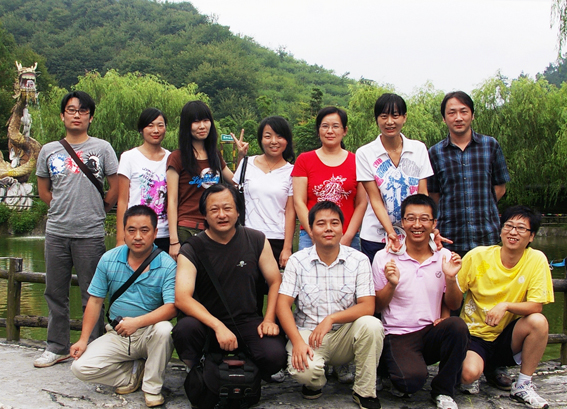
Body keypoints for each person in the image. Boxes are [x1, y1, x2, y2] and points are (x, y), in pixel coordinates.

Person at [34, 91, 119, 368]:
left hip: (90, 233)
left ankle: (93, 348)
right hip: (56, 232)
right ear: (62, 115)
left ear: (90, 117)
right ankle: (56, 346)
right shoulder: (48, 150)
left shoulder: (102, 148)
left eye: (83, 111)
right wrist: (62, 208)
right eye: (71, 110)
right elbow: (44, 191)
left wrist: (100, 209)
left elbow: (115, 186)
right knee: (55, 292)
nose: (77, 115)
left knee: (92, 293)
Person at [172, 183, 287, 385]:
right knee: (185, 330)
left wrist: (269, 319)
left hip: (247, 320)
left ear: (238, 211)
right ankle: (198, 367)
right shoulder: (192, 248)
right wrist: (218, 326)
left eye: (227, 208)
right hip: (207, 324)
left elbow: (275, 280)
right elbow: (182, 298)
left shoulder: (256, 239)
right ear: (204, 215)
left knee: (275, 356)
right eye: (214, 210)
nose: (222, 215)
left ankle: (249, 365)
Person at [277, 201, 384, 409]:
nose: (328, 228)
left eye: (334, 223)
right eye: (321, 223)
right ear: (310, 229)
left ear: (342, 228)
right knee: (304, 372)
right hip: (309, 334)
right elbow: (283, 305)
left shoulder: (359, 260)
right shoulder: (297, 261)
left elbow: (367, 306)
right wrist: (297, 341)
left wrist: (331, 319)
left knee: (372, 325)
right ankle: (315, 382)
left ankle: (364, 391)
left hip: (345, 334)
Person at [70, 205, 177, 407]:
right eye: (131, 230)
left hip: (149, 334)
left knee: (165, 329)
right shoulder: (109, 259)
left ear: (155, 233)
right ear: (124, 231)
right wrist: (83, 340)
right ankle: (133, 374)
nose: (138, 237)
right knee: (80, 368)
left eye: (144, 230)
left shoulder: (167, 265)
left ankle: (152, 388)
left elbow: (172, 307)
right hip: (118, 333)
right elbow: (95, 300)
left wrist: (137, 322)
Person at [373, 194, 469, 409]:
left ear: (434, 223)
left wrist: (451, 278)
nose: (417, 225)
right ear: (402, 222)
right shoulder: (385, 257)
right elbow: (377, 306)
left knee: (457, 326)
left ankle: (444, 390)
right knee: (410, 382)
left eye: (424, 219)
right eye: (411, 218)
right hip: (398, 334)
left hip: (430, 330)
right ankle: (390, 368)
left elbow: (454, 305)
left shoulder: (444, 256)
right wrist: (391, 284)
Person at [457, 206, 553, 409]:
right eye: (508, 226)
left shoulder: (536, 259)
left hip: (506, 336)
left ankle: (523, 385)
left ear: (531, 236)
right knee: (468, 375)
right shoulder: (478, 256)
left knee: (538, 322)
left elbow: (536, 305)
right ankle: (478, 368)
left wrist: (506, 306)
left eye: (521, 228)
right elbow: (453, 295)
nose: (513, 232)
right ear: (500, 230)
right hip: (475, 335)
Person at [427, 91, 510, 257]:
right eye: (452, 113)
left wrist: (482, 206)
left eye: (463, 111)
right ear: (444, 118)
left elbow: (500, 187)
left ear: (472, 115)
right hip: (450, 236)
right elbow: (434, 194)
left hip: (486, 234)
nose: (458, 118)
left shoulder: (490, 145)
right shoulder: (435, 153)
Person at [356, 93, 433, 264]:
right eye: (384, 116)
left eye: (395, 116)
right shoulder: (365, 153)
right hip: (376, 236)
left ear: (404, 118)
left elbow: (422, 194)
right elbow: (375, 199)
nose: (389, 122)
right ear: (377, 119)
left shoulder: (419, 149)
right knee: (380, 279)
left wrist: (427, 227)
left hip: (414, 233)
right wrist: (391, 233)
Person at [166, 100, 247, 260]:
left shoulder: (214, 155)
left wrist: (240, 156)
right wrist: (174, 240)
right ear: (187, 125)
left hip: (214, 227)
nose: (202, 126)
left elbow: (235, 182)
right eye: (196, 121)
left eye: (205, 120)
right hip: (187, 228)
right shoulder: (177, 157)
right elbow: (172, 201)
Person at [292, 106, 366, 253]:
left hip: (347, 235)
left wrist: (348, 237)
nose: (330, 131)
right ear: (318, 130)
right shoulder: (304, 160)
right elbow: (299, 201)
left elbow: (361, 203)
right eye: (325, 126)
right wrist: (313, 234)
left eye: (335, 126)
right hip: (310, 236)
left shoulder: (358, 161)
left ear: (345, 130)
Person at [233, 115, 295, 269]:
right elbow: (235, 195)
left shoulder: (292, 172)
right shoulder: (247, 163)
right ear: (261, 139)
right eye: (268, 136)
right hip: (247, 237)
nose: (274, 141)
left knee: (276, 283)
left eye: (279, 136)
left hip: (277, 238)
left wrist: (287, 248)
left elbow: (291, 211)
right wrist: (240, 156)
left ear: (287, 140)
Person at [116, 108, 171, 252]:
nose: (156, 130)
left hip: (164, 233)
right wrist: (120, 238)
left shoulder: (171, 158)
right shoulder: (128, 157)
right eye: (150, 125)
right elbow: (122, 200)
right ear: (141, 129)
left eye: (160, 125)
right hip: (136, 233)